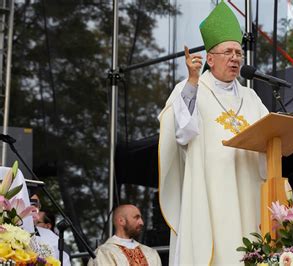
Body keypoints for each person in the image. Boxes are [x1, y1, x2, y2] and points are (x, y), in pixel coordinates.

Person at [158, 1, 269, 265]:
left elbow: (271, 138)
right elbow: (183, 133)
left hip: (248, 190)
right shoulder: (191, 89)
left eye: (239, 53)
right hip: (209, 192)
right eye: (228, 52)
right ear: (210, 58)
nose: (235, 58)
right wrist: (193, 81)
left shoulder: (251, 97)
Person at [88, 204, 161, 266]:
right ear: (121, 221)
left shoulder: (150, 253)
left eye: (140, 218)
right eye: (136, 217)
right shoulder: (105, 252)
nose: (141, 222)